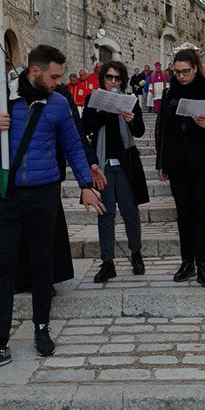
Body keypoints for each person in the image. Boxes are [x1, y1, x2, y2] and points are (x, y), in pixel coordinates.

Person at [0, 45, 105, 375]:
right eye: (53, 76)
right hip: (4, 194)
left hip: (43, 194)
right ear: (35, 71)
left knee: (43, 263)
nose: (58, 82)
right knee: (3, 266)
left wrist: (85, 183)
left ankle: (41, 327)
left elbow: (72, 145)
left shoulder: (57, 104)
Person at [14, 79, 106, 295]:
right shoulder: (14, 90)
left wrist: (90, 162)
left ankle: (47, 278)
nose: (55, 79)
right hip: (18, 171)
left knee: (47, 229)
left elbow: (75, 134)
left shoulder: (62, 94)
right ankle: (19, 277)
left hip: (49, 170)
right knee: (18, 227)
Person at [155, 48, 205, 287]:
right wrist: (160, 161)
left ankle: (203, 265)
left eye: (185, 71)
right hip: (177, 161)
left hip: (203, 161)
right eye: (176, 72)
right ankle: (187, 261)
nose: (181, 76)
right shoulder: (169, 94)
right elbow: (161, 130)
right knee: (183, 213)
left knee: (201, 211)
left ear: (195, 68)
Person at [83, 60, 149, 283]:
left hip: (125, 164)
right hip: (102, 166)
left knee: (130, 211)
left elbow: (139, 131)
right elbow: (86, 128)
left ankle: (136, 253)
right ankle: (107, 262)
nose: (113, 82)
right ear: (102, 78)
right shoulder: (93, 100)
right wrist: (106, 111)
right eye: (109, 77)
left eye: (117, 78)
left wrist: (130, 120)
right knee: (106, 213)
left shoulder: (129, 101)